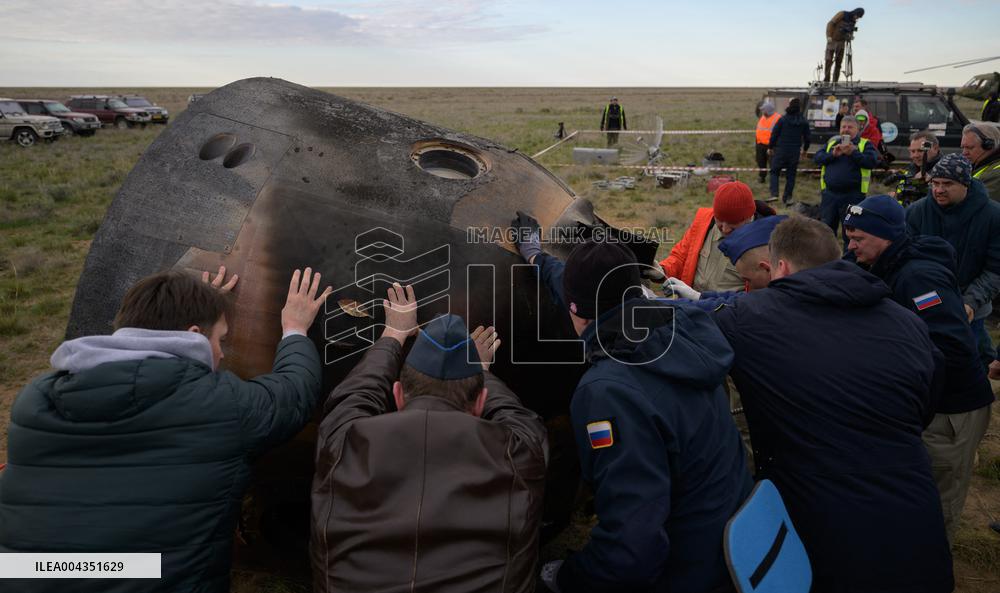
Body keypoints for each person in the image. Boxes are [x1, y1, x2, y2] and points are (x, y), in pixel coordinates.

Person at [0, 266, 331, 593]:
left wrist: (202, 311)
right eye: (221, 340)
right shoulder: (223, 407)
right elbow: (293, 394)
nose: (220, 352)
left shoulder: (37, 399)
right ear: (195, 335)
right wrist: (294, 330)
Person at [511, 214, 752, 593]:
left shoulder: (609, 394)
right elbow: (585, 292)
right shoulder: (682, 322)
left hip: (693, 571)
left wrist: (569, 579)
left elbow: (632, 548)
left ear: (575, 310)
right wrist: (536, 256)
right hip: (736, 529)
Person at [712, 215, 954, 593]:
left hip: (818, 526)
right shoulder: (907, 323)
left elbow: (681, 330)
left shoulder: (751, 320)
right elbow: (925, 404)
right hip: (914, 522)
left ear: (781, 266)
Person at [310, 285, 546, 593]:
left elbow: (355, 396)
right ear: (481, 403)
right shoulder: (521, 453)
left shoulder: (344, 441)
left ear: (396, 394)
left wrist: (393, 334)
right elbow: (522, 422)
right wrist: (482, 371)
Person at [844, 195, 994, 543]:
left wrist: (898, 382)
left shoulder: (918, 277)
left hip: (950, 411)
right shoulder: (888, 263)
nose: (850, 247)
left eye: (858, 239)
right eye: (848, 237)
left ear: (886, 236)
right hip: (927, 407)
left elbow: (952, 349)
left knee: (937, 498)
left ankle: (931, 566)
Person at [906, 152, 1000, 369]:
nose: (939, 190)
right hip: (927, 302)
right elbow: (906, 261)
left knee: (969, 365)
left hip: (971, 306)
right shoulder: (916, 213)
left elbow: (995, 269)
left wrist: (970, 303)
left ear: (966, 184)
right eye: (935, 183)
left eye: (947, 184)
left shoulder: (993, 217)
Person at [659, 181, 774, 294]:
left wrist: (700, 299)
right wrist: (662, 270)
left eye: (732, 225)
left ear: (749, 218)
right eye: (719, 221)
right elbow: (680, 257)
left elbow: (762, 298)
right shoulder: (703, 222)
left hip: (729, 311)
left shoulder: (767, 244)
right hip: (689, 308)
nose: (724, 229)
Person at [664, 215, 789, 308]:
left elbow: (740, 306)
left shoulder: (774, 304)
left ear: (766, 268)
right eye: (719, 220)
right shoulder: (787, 291)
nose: (724, 229)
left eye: (747, 280)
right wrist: (697, 296)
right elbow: (736, 300)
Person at [813, 114, 879, 247]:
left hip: (852, 196)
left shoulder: (864, 144)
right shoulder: (832, 143)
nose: (846, 130)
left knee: (851, 233)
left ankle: (849, 262)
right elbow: (817, 158)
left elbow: (871, 162)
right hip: (830, 195)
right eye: (843, 127)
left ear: (857, 129)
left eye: (850, 127)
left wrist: (853, 153)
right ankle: (827, 260)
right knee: (826, 232)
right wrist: (832, 154)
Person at [767, 98, 810, 204]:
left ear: (790, 105)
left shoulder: (783, 119)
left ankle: (774, 194)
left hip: (781, 150)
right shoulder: (803, 121)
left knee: (774, 171)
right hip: (794, 152)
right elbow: (808, 138)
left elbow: (774, 134)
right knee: (791, 175)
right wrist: (804, 150)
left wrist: (770, 147)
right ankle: (787, 198)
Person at [892, 130, 941, 204]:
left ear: (935, 148)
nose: (915, 155)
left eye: (920, 151)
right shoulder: (910, 169)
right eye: (912, 151)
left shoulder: (945, 171)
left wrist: (926, 185)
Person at [823, 8, 864, 83]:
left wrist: (850, 36)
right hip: (832, 41)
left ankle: (835, 82)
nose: (857, 18)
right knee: (828, 61)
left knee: (838, 63)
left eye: (858, 17)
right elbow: (830, 24)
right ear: (854, 13)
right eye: (857, 16)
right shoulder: (842, 14)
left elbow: (850, 31)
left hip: (841, 43)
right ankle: (826, 81)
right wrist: (828, 36)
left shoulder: (853, 21)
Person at [961, 122, 1000, 200]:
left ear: (988, 146)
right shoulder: (976, 164)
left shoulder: (996, 174)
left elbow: (975, 202)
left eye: (970, 148)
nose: (964, 153)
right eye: (963, 147)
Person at [755, 102, 781, 184]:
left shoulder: (778, 118)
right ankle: (762, 177)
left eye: (764, 110)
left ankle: (774, 180)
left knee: (773, 164)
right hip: (760, 144)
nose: (762, 112)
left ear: (768, 110)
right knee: (761, 162)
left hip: (771, 146)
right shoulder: (763, 117)